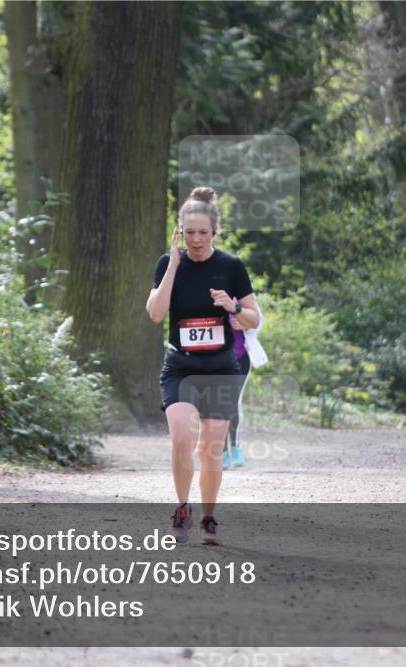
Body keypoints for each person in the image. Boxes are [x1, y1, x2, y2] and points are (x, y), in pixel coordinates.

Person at [145, 187, 260, 545]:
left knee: (210, 447)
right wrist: (175, 265)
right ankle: (183, 506)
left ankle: (209, 517)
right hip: (181, 365)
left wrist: (233, 307)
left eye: (203, 233)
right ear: (180, 231)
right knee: (182, 438)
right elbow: (155, 313)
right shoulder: (168, 264)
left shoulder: (230, 266)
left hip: (221, 368)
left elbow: (254, 318)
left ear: (214, 232)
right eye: (189, 232)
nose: (196, 240)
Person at [222, 298, 268, 469]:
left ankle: (234, 447)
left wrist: (246, 325)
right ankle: (221, 452)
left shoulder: (241, 292)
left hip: (239, 358)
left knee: (232, 401)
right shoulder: (208, 289)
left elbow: (258, 320)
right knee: (217, 403)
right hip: (214, 359)